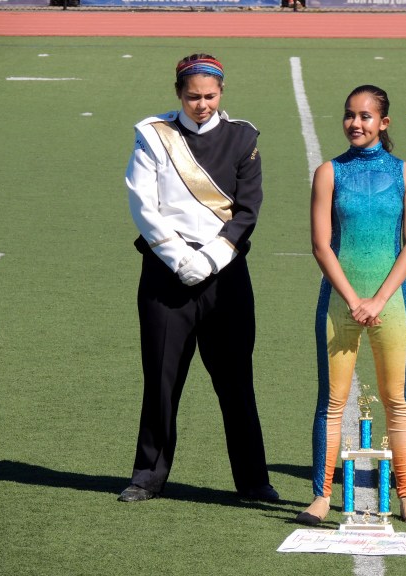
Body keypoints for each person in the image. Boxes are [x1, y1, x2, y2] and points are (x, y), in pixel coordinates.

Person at [119, 53, 278, 504]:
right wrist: (177, 257)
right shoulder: (154, 135)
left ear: (221, 93)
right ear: (178, 94)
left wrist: (209, 260)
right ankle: (147, 476)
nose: (201, 105)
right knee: (162, 378)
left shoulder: (244, 137)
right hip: (166, 277)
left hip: (224, 275)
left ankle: (253, 481)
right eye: (193, 97)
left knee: (235, 381)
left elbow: (248, 210)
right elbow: (142, 205)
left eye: (209, 96)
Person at [295, 85, 406, 526]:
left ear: (384, 123)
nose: (356, 123)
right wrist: (355, 300)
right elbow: (320, 246)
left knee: (397, 402)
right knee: (331, 404)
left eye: (366, 116)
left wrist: (379, 299)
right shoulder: (328, 173)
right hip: (340, 304)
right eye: (350, 115)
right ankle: (320, 496)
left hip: (390, 305)